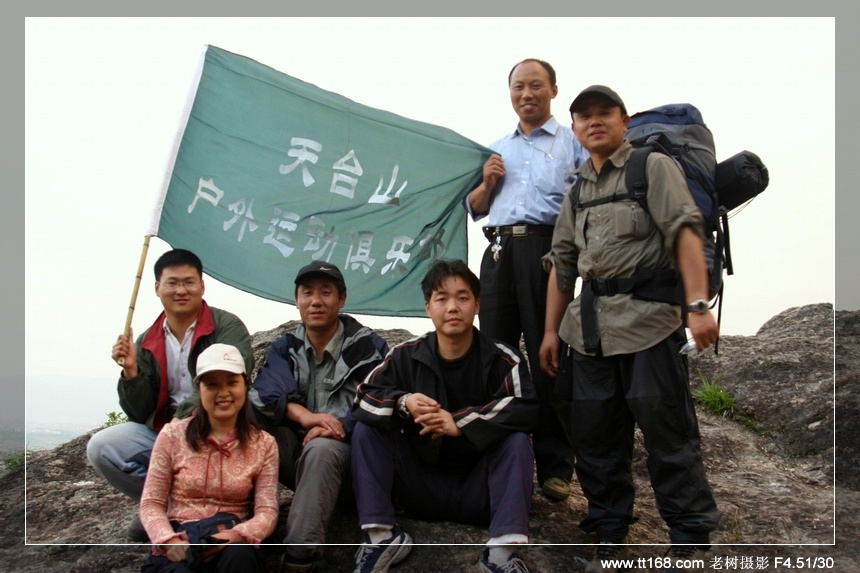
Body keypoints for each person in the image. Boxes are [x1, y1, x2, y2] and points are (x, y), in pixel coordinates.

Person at [539, 85, 720, 572]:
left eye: (605, 114)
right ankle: (610, 526)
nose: (594, 122)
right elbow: (562, 264)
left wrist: (698, 305)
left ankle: (688, 534)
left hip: (650, 322)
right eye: (584, 117)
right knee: (595, 435)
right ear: (575, 129)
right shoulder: (576, 189)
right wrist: (551, 332)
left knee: (669, 434)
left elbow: (685, 229)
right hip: (591, 329)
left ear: (624, 121)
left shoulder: (651, 167)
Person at [350, 259, 538, 573]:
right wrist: (403, 402)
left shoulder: (502, 357)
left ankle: (500, 555)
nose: (453, 307)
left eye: (463, 298)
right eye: (442, 298)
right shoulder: (405, 355)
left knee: (517, 441)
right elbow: (362, 400)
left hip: (482, 492)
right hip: (417, 487)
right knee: (367, 429)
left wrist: (460, 423)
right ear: (428, 307)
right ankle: (382, 538)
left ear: (477, 304)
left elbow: (525, 407)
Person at [465, 58, 586, 501]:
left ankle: (556, 467)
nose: (527, 94)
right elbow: (474, 207)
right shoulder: (497, 148)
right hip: (498, 252)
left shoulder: (573, 144)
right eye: (519, 87)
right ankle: (495, 456)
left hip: (548, 253)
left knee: (549, 356)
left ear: (553, 90)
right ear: (510, 92)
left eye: (536, 86)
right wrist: (487, 183)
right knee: (494, 355)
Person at [86, 248, 254, 542]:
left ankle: (213, 508)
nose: (181, 290)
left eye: (189, 282)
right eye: (172, 282)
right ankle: (170, 507)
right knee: (103, 447)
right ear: (157, 288)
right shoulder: (148, 339)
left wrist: (179, 426)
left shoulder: (226, 326)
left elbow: (233, 380)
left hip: (218, 433)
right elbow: (140, 413)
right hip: (169, 437)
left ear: (202, 286)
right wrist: (131, 372)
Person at [248, 261, 389, 572]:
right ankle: (231, 510)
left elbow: (379, 400)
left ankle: (301, 556)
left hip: (347, 459)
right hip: (295, 456)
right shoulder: (286, 347)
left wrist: (336, 427)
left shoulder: (367, 347)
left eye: (326, 292)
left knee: (322, 448)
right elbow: (263, 393)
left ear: (341, 299)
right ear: (297, 299)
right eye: (307, 293)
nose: (316, 301)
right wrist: (304, 416)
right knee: (244, 412)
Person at [139, 343, 278, 573]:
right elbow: (152, 502)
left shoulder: (263, 444)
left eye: (232, 382)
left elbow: (267, 510)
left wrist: (236, 535)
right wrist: (168, 540)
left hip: (230, 540)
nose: (223, 393)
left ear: (245, 385)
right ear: (199, 389)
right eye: (212, 384)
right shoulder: (173, 435)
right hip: (182, 538)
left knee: (240, 559)